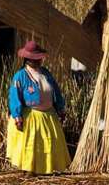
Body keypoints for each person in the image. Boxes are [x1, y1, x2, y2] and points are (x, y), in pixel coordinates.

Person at [6, 41, 71, 175]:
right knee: (31, 146)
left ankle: (47, 170)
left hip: (48, 116)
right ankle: (30, 170)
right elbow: (14, 97)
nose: (38, 61)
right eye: (35, 59)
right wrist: (17, 117)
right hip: (31, 116)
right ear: (28, 59)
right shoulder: (20, 76)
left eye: (39, 58)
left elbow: (56, 92)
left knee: (49, 144)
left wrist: (60, 108)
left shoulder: (46, 73)